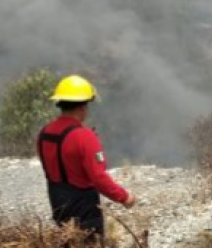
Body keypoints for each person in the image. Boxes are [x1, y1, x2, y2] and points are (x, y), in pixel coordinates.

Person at [37, 75, 137, 242]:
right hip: (84, 209)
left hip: (57, 204)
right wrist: (125, 197)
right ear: (82, 107)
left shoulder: (45, 133)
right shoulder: (84, 136)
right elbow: (98, 177)